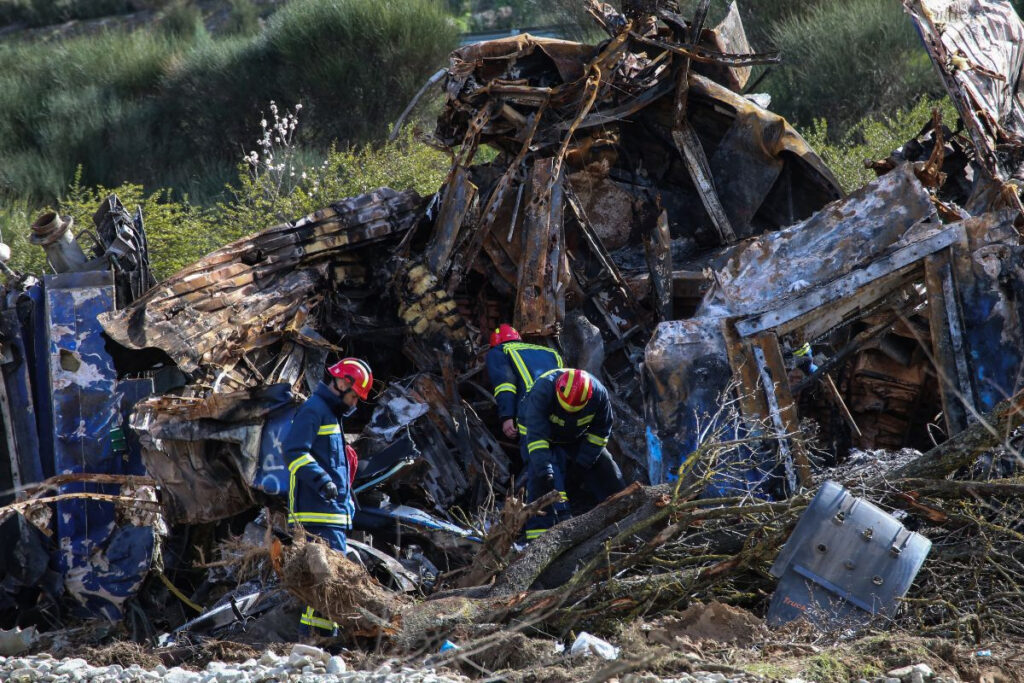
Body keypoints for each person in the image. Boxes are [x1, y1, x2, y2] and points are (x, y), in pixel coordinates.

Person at [283, 357, 373, 637]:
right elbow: (293, 451)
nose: (355, 404)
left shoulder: (330, 414)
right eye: (355, 396)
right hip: (317, 513)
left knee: (325, 581)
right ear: (343, 382)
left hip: (331, 513)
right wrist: (322, 481)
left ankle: (319, 639)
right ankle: (320, 639)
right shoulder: (314, 410)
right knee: (328, 580)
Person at [518, 368, 626, 539]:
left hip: (574, 434)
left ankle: (624, 511)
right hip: (537, 434)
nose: (569, 412)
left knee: (606, 465)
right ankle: (539, 535)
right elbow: (537, 438)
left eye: (575, 410)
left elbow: (600, 433)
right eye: (566, 408)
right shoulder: (543, 390)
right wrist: (545, 470)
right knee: (539, 476)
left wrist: (583, 463)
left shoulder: (599, 395)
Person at [485, 324, 564, 439]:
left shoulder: (499, 351)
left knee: (535, 451)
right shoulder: (549, 351)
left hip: (532, 409)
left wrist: (506, 417)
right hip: (561, 407)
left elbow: (505, 385)